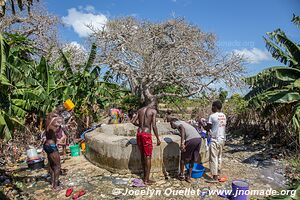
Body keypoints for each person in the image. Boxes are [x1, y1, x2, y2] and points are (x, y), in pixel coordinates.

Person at [131, 99, 161, 185]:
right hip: (146, 135)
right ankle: (146, 180)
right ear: (154, 104)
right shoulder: (153, 111)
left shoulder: (140, 110)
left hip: (139, 133)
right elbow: (154, 126)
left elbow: (133, 121)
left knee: (142, 155)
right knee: (148, 156)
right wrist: (158, 138)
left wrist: (140, 126)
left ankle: (145, 176)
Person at [167, 117, 202, 183]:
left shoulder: (177, 123)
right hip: (198, 139)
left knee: (183, 158)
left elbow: (182, 129)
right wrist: (175, 132)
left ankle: (182, 175)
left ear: (173, 122)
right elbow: (184, 131)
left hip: (191, 140)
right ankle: (189, 176)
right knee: (192, 159)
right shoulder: (183, 122)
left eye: (171, 124)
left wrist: (182, 143)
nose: (171, 126)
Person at [207, 100, 227, 183]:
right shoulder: (223, 115)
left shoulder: (212, 116)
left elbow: (208, 128)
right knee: (219, 156)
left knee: (213, 158)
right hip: (222, 139)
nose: (211, 108)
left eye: (212, 106)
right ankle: (218, 172)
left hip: (215, 139)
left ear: (215, 107)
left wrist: (202, 124)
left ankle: (214, 177)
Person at [44, 114, 61, 190]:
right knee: (57, 166)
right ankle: (55, 186)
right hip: (52, 146)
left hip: (46, 145)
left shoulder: (47, 122)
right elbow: (59, 125)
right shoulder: (53, 125)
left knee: (51, 164)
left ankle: (52, 182)